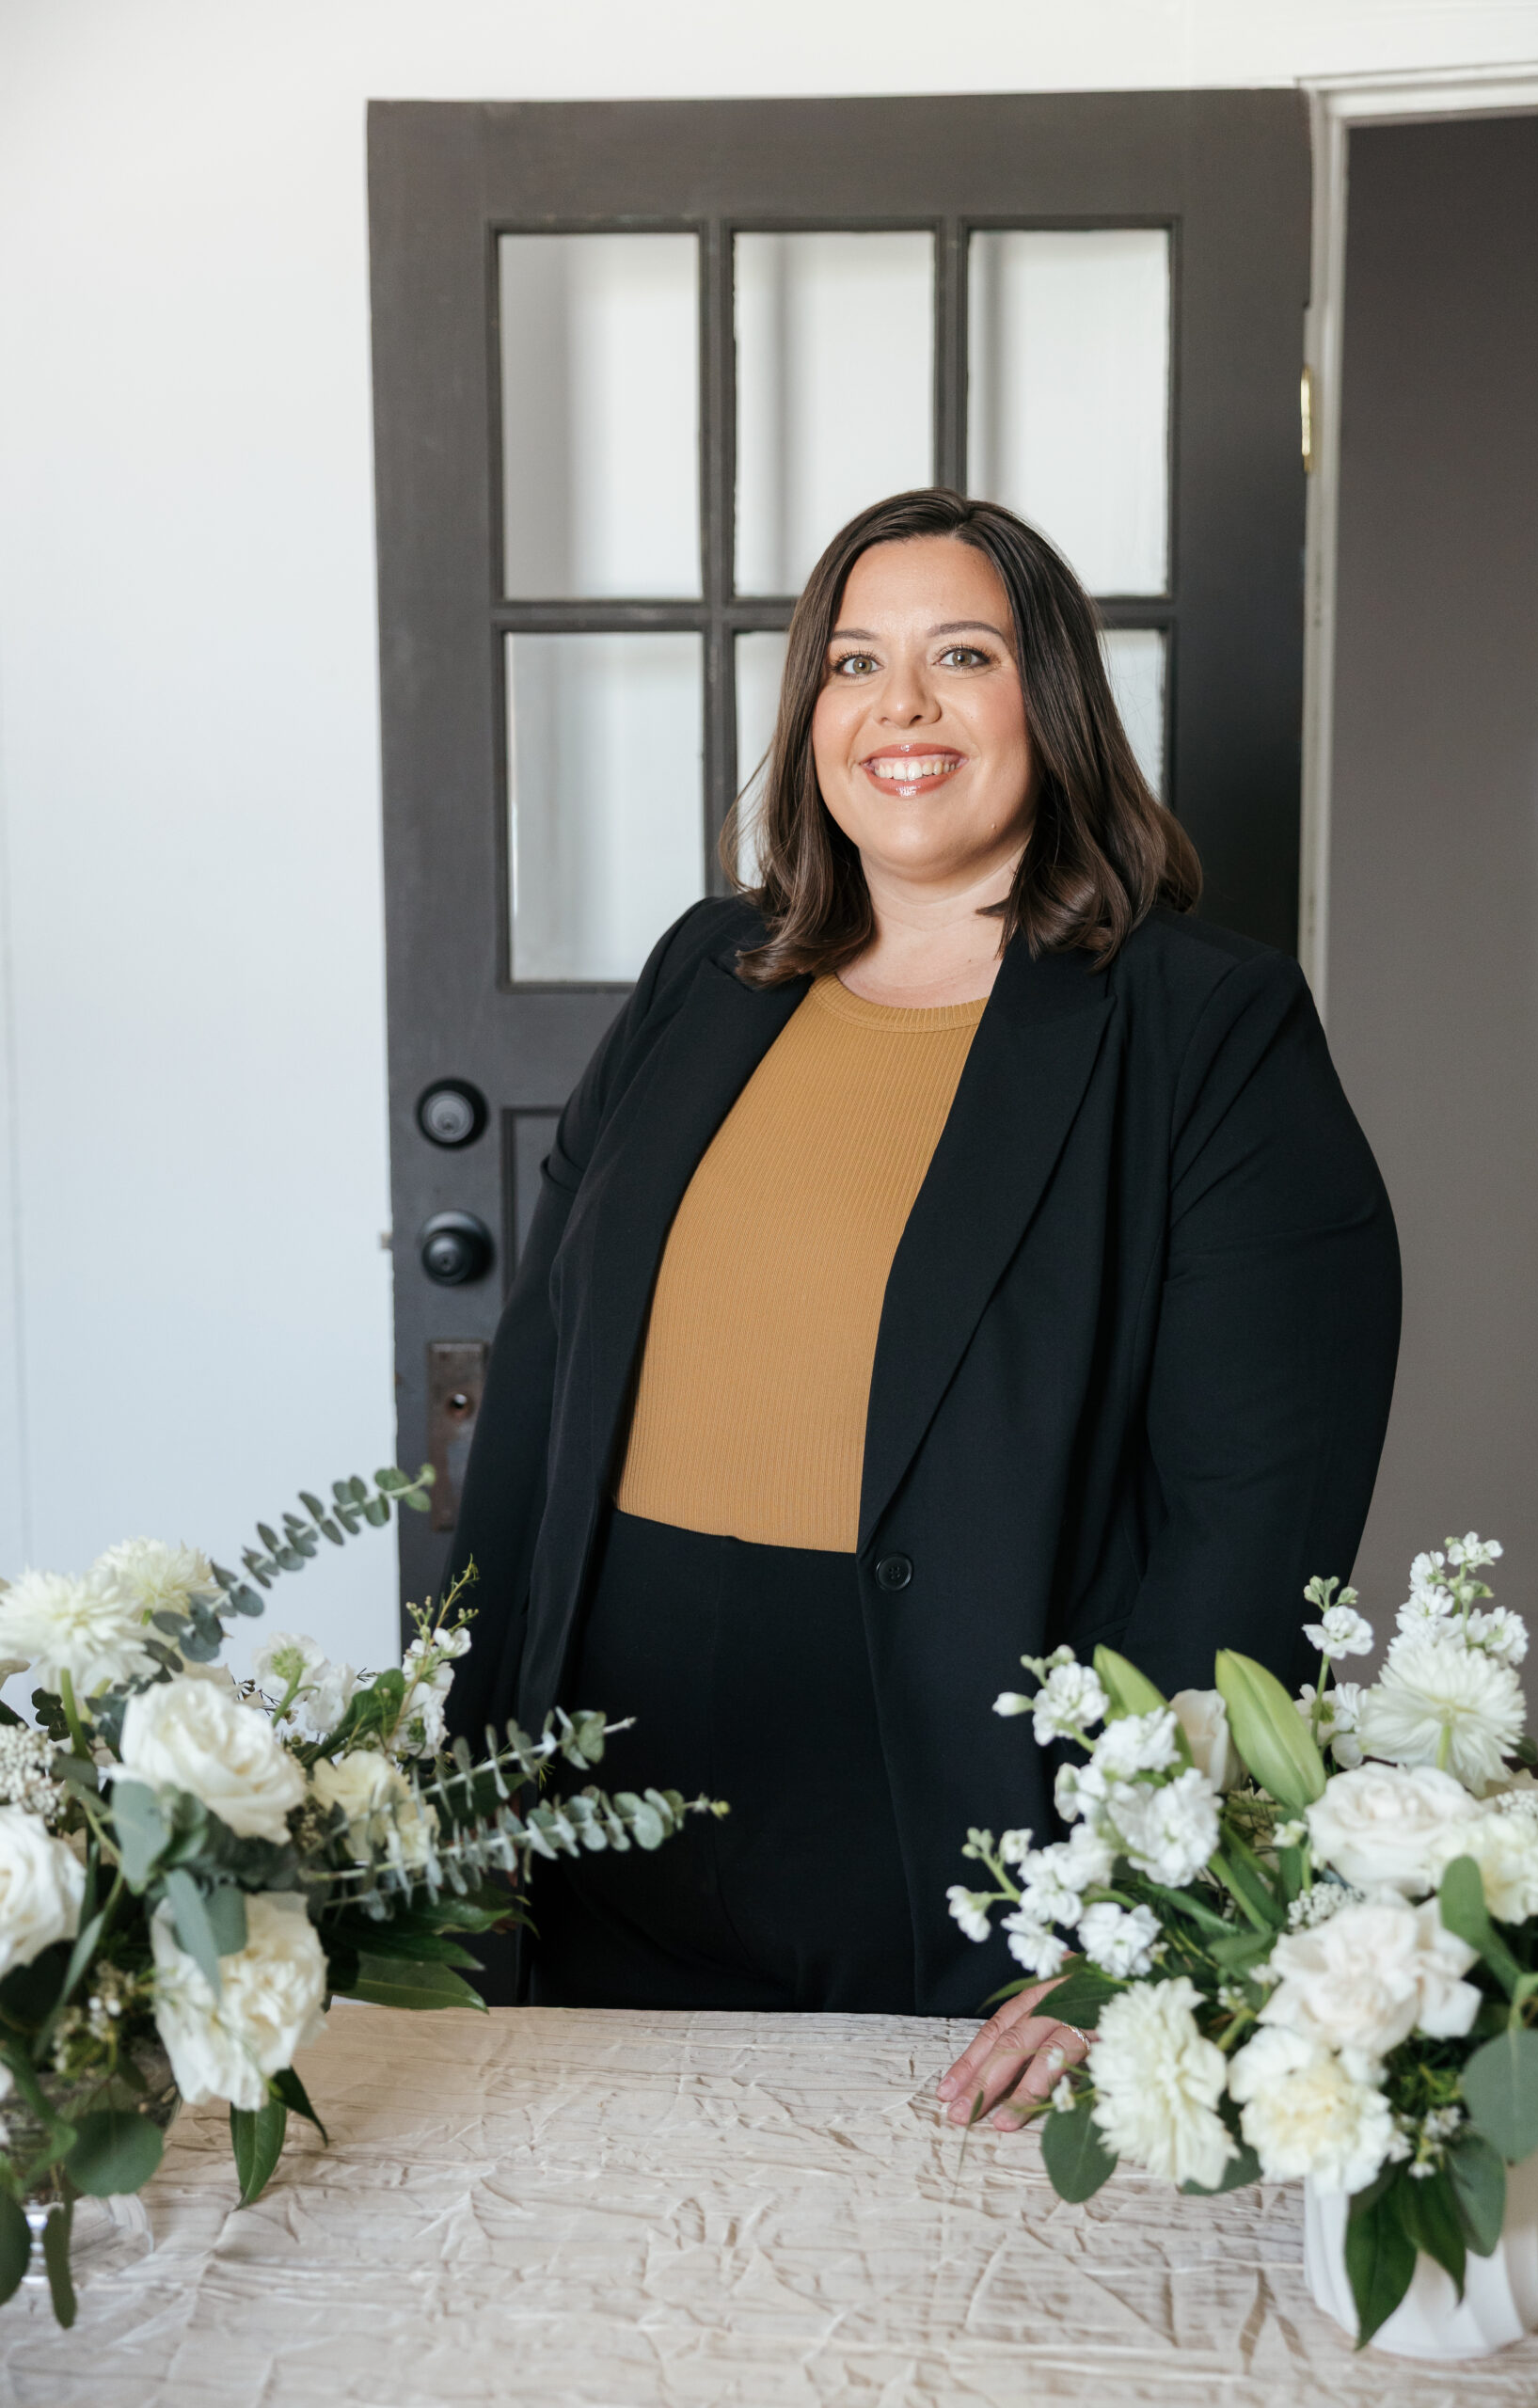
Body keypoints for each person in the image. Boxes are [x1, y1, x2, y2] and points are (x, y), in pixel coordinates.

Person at [443, 486, 1400, 2136]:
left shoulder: (1208, 1032)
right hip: (604, 1791)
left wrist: (1136, 1916)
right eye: (854, 661)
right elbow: (545, 1384)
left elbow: (1256, 1512)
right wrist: (463, 1761)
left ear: (1057, 704)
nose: (901, 707)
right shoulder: (706, 971)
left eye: (963, 655)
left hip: (959, 1821)